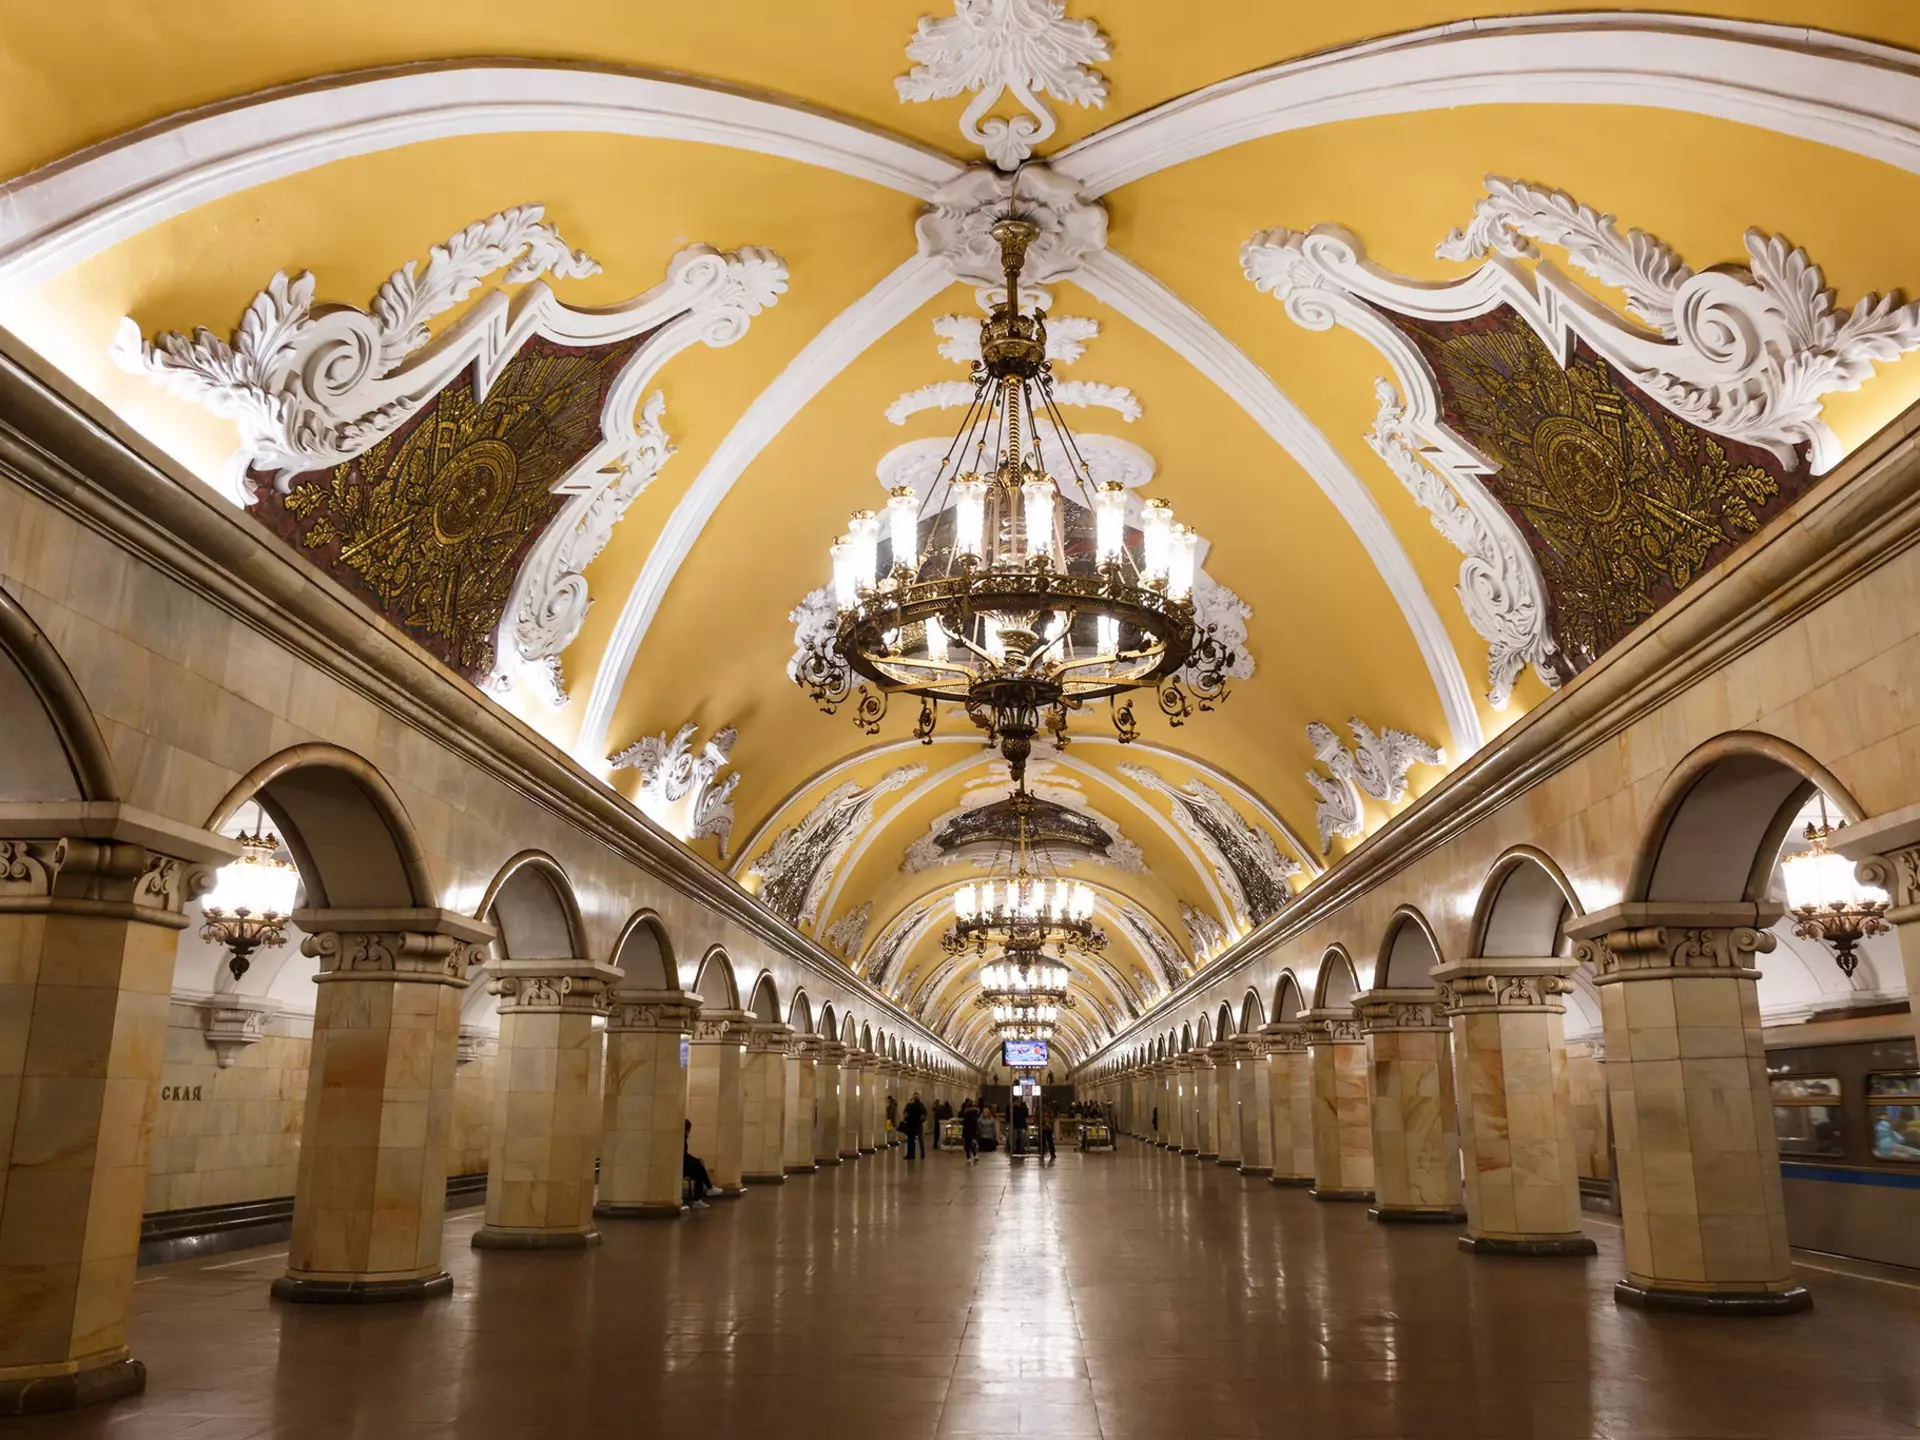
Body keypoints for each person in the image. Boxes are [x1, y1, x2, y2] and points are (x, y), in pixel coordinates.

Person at [683, 1118, 713, 1210]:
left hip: (684, 1165)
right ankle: (708, 1189)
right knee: (699, 1167)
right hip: (683, 1166)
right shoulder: (682, 1139)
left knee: (699, 1169)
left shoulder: (683, 1138)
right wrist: (695, 1160)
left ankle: (704, 1193)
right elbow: (683, 1155)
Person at [902, 1090, 928, 1160]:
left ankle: (922, 1154)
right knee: (911, 1140)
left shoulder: (920, 1105)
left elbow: (925, 1114)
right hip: (911, 1124)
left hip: (917, 1124)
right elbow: (905, 1112)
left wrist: (921, 1120)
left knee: (920, 1139)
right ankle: (910, 1154)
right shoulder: (910, 1104)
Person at [959, 1097, 981, 1164]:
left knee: (967, 1145)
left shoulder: (966, 1113)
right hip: (973, 1131)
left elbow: (964, 1122)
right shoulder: (976, 1114)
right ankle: (975, 1156)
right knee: (969, 1144)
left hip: (966, 1131)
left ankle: (969, 1158)